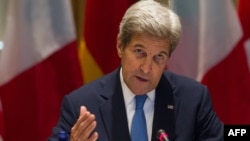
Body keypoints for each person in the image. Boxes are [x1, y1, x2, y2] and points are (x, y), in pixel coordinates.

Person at [48, 0, 224, 141]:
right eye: (140, 52)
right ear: (120, 46)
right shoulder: (81, 105)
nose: (147, 68)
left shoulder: (193, 99)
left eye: (159, 57)